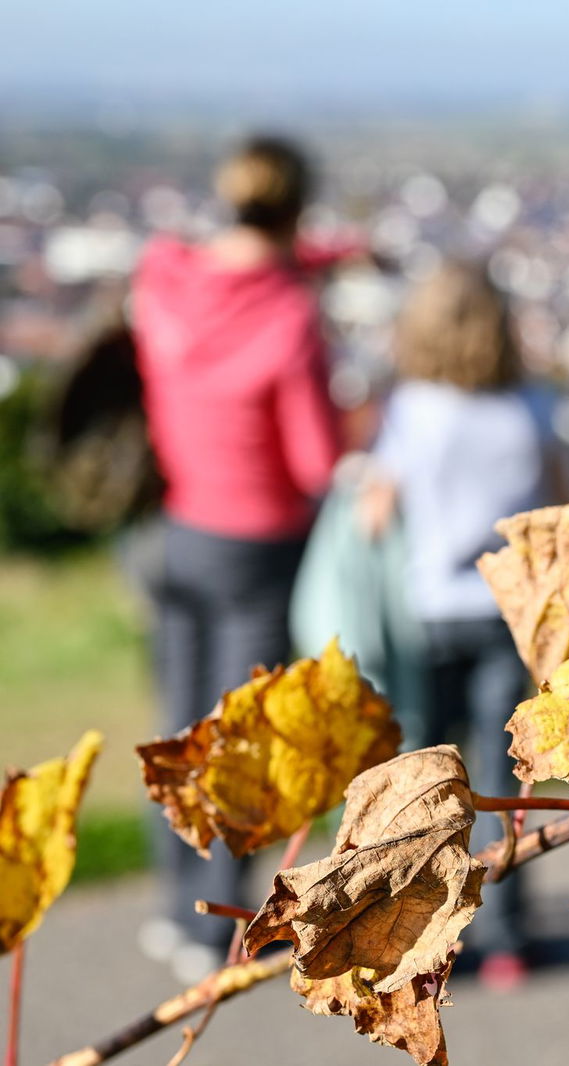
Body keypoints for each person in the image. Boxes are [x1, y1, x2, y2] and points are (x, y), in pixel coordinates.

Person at [129, 136, 342, 982]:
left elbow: (241, 263)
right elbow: (314, 461)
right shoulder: (290, 317)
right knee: (238, 737)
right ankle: (215, 926)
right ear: (299, 207)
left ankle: (171, 905)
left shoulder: (164, 277)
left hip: (179, 528)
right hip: (260, 543)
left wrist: (324, 257)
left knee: (180, 730)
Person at [360, 259, 569, 990]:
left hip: (428, 615)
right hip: (506, 611)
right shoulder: (531, 406)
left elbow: (375, 514)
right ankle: (510, 939)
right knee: (502, 784)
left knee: (428, 786)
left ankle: (428, 942)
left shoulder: (411, 409)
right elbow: (559, 506)